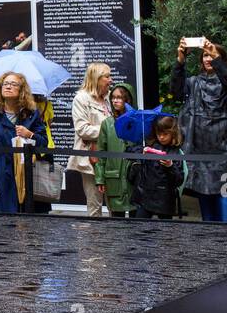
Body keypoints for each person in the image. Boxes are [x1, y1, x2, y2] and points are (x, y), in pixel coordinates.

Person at [172, 38, 227, 222]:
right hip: (200, 161)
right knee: (208, 219)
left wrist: (216, 59)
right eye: (205, 55)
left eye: (212, 54)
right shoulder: (193, 83)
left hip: (226, 161)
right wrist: (180, 60)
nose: (208, 58)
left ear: (222, 60)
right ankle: (212, 251)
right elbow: (175, 92)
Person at [0, 72, 46, 214]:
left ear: (22, 90)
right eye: (5, 84)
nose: (8, 87)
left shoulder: (31, 113)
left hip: (26, 172)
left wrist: (29, 134)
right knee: (4, 219)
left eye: (13, 84)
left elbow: (43, 142)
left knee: (28, 218)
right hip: (1, 172)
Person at [70, 63, 113, 217]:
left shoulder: (109, 98)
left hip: (112, 158)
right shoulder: (81, 98)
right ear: (96, 78)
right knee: (95, 205)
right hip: (91, 159)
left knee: (115, 203)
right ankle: (94, 240)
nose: (111, 80)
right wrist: (108, 132)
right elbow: (82, 129)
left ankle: (116, 239)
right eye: (107, 76)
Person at [127, 116, 186, 220]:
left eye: (165, 134)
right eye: (159, 134)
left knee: (164, 232)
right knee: (139, 229)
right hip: (145, 196)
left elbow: (179, 180)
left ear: (173, 133)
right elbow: (128, 151)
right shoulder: (151, 145)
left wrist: (170, 166)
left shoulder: (176, 152)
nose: (161, 137)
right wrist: (141, 151)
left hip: (164, 199)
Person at [94, 82, 136, 217]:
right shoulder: (107, 123)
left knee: (137, 217)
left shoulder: (137, 121)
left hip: (133, 176)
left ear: (127, 99)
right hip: (114, 177)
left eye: (120, 97)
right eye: (113, 97)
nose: (115, 100)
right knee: (117, 219)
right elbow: (101, 153)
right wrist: (100, 178)